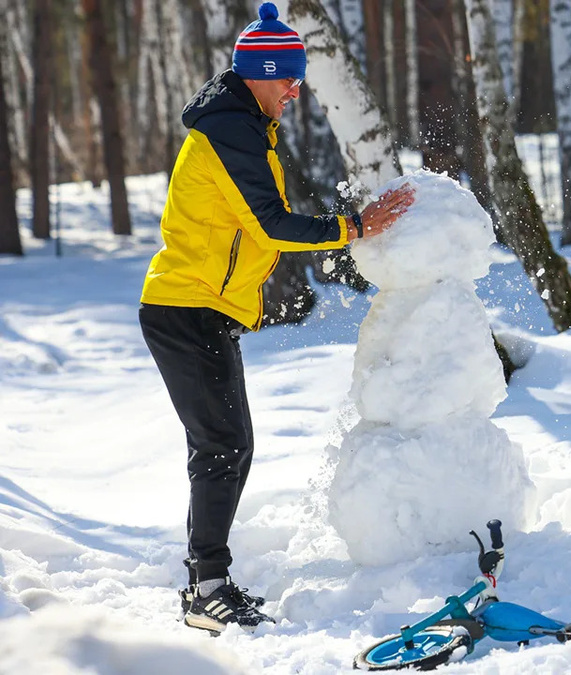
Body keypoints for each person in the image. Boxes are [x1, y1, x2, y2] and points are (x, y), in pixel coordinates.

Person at [139, 2, 412, 633]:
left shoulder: (239, 122)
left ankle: (208, 582)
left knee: (227, 445)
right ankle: (205, 589)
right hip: (186, 307)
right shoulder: (232, 129)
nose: (295, 91)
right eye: (287, 78)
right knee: (223, 446)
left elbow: (259, 223)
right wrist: (353, 228)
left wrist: (346, 232)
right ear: (261, 71)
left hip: (198, 308)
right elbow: (271, 224)